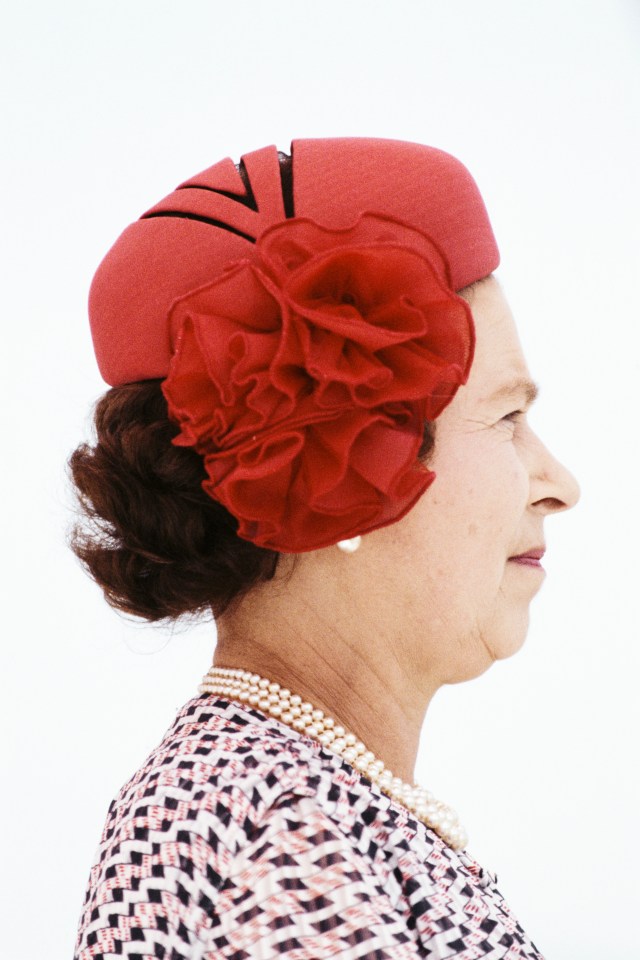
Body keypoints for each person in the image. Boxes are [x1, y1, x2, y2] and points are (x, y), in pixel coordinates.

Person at [71, 138, 579, 959]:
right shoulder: (283, 838)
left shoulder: (279, 799)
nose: (560, 481)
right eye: (507, 419)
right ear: (339, 470)